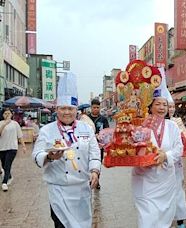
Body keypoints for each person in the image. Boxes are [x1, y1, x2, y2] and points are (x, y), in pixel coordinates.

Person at [32, 72, 101, 228]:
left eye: (70, 108)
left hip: (82, 190)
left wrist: (95, 171)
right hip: (58, 190)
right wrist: (49, 156)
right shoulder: (47, 130)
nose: (67, 112)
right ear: (57, 109)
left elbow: (95, 154)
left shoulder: (87, 129)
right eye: (63, 108)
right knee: (61, 224)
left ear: (76, 109)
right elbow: (36, 155)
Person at [131, 77, 183, 228]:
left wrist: (165, 156)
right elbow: (133, 147)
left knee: (163, 217)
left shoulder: (172, 126)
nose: (161, 108)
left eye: (164, 104)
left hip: (166, 179)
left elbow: (178, 149)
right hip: (144, 179)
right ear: (151, 106)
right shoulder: (140, 125)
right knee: (147, 218)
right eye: (158, 104)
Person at [166, 77, 186, 228]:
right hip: (161, 164)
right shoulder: (155, 123)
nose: (170, 109)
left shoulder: (178, 122)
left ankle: (180, 220)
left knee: (178, 191)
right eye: (167, 106)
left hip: (176, 163)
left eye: (171, 106)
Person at [0, 108, 26, 191]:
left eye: (9, 113)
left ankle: (4, 182)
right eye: (5, 114)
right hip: (2, 147)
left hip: (12, 148)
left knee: (7, 165)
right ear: (2, 115)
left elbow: (20, 136)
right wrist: (4, 124)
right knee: (4, 165)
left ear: (12, 115)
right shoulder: (0, 123)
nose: (7, 115)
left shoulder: (15, 124)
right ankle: (9, 176)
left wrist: (23, 146)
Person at [88, 98, 109, 189]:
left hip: (99, 146)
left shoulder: (103, 119)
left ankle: (97, 181)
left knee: (97, 162)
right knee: (87, 162)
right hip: (87, 144)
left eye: (97, 107)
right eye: (94, 107)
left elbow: (107, 131)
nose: (96, 109)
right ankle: (89, 179)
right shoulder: (86, 118)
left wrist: (101, 135)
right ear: (91, 107)